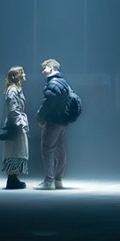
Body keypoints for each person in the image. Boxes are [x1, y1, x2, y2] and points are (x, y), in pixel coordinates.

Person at [35, 58, 71, 190]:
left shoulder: (53, 84)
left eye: (44, 68)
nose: (42, 71)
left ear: (51, 67)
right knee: (60, 150)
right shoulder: (64, 83)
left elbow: (47, 103)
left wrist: (39, 116)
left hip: (53, 120)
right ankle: (58, 179)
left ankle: (49, 181)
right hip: (62, 121)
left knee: (47, 149)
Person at [1, 66, 29, 189]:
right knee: (13, 150)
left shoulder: (16, 89)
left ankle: (13, 177)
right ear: (17, 76)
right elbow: (13, 108)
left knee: (16, 150)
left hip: (16, 122)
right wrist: (20, 122)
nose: (24, 75)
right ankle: (11, 178)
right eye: (22, 73)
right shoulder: (13, 90)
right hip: (15, 124)